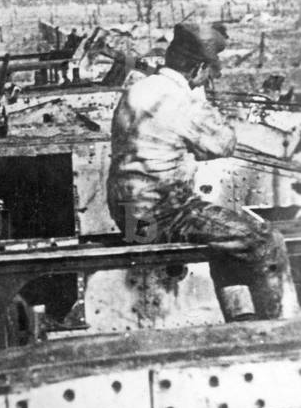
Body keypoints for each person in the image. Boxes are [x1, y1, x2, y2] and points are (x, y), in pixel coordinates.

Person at [107, 22, 299, 320]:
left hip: (128, 217)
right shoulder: (184, 101)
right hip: (162, 217)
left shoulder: (137, 90)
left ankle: (241, 321)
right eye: (209, 74)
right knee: (266, 242)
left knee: (229, 242)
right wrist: (202, 101)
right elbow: (222, 144)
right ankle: (285, 334)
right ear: (197, 69)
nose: (209, 80)